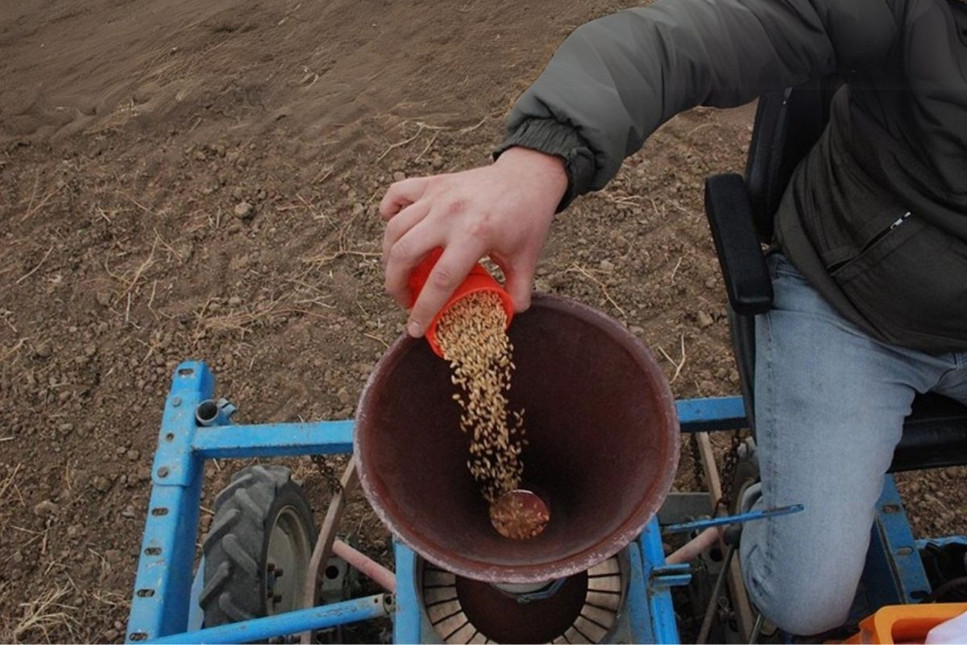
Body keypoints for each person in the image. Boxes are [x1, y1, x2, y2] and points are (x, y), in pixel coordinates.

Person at [380, 0, 967, 636]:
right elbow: (688, 40)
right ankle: (767, 507)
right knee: (805, 606)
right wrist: (541, 156)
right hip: (851, 301)